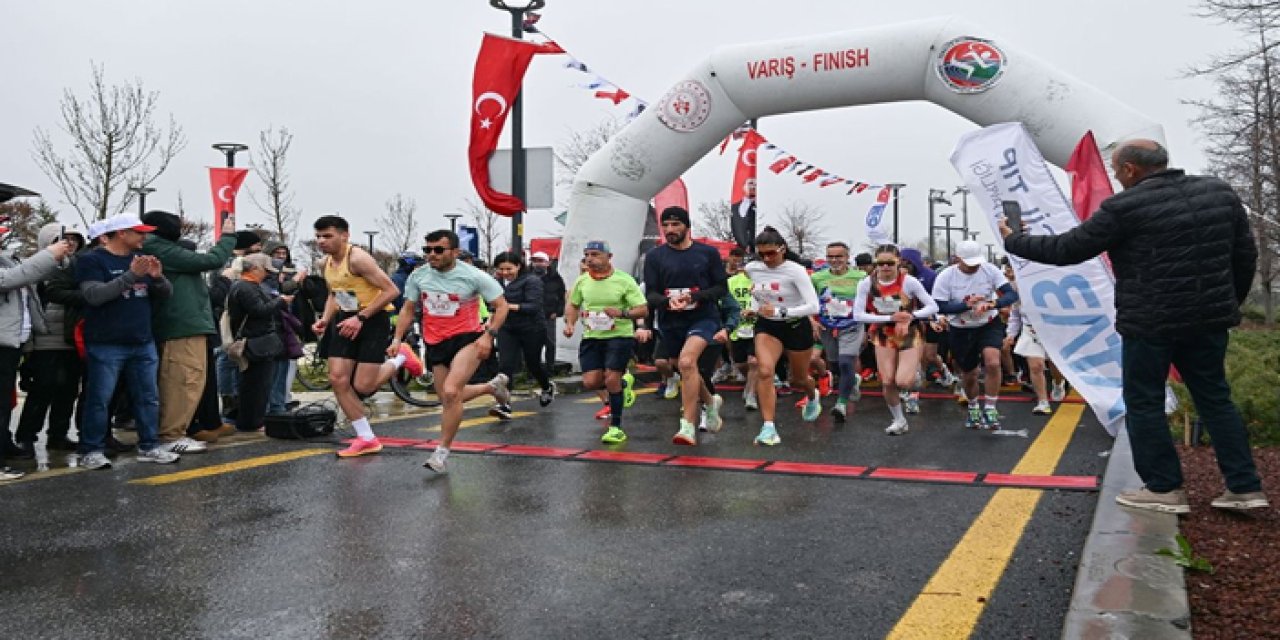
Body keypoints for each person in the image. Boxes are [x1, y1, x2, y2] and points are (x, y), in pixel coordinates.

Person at [1002, 139, 1268, 513]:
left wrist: (1015, 240)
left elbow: (1068, 250)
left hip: (1150, 323)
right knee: (1215, 398)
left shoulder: (1125, 206)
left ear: (1130, 170)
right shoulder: (1219, 193)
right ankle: (1245, 487)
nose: (1115, 176)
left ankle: (1164, 489)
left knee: (1144, 401)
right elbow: (1245, 254)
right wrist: (1227, 304)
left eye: (1116, 170)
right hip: (1209, 320)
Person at [392, 229, 511, 473]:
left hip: (467, 338)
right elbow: (407, 308)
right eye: (427, 250)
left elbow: (501, 306)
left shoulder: (473, 276)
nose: (431, 255)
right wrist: (397, 338)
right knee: (447, 398)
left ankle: (441, 453)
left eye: (438, 250)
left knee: (450, 391)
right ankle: (492, 387)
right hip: (435, 341)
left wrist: (489, 336)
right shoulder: (419, 276)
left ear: (454, 252)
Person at [310, 215, 422, 458]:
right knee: (338, 379)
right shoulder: (324, 263)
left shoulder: (358, 258)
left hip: (372, 320)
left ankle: (400, 358)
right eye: (318, 236)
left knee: (363, 386)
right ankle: (366, 437)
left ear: (344, 235)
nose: (321, 241)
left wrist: (361, 317)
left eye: (327, 236)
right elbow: (334, 293)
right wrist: (325, 319)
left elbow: (392, 291)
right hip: (345, 320)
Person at [75, 213, 177, 470]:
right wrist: (131, 276)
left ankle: (149, 445)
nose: (145, 237)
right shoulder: (92, 260)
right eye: (139, 232)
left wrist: (157, 278)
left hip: (142, 340)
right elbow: (94, 296)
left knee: (148, 397)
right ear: (121, 233)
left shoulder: (141, 260)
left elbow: (166, 295)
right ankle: (91, 449)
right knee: (100, 398)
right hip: (106, 341)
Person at [141, 210, 238, 452]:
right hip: (180, 326)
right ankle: (171, 435)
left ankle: (176, 431)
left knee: (190, 380)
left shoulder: (160, 247)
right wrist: (227, 237)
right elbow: (211, 261)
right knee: (182, 380)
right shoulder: (159, 247)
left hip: (187, 325)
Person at [642, 206, 728, 445]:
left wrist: (694, 297)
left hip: (702, 317)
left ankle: (687, 425)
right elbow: (650, 293)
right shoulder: (655, 257)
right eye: (666, 225)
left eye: (675, 225)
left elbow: (722, 288)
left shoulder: (707, 253)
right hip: (671, 321)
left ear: (687, 226)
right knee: (682, 368)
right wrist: (667, 302)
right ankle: (711, 402)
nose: (670, 230)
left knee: (687, 362)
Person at [0, 217, 74, 478]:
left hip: (13, 340)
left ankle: (6, 444)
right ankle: (17, 444)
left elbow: (28, 276)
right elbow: (9, 280)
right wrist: (48, 255)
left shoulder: (10, 257)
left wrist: (60, 257)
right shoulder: (17, 263)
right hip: (20, 341)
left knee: (5, 400)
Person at [743, 227, 822, 445]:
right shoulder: (752, 268)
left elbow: (813, 306)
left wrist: (781, 312)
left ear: (782, 249)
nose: (767, 259)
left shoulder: (795, 271)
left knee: (797, 379)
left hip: (796, 326)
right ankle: (768, 427)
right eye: (762, 254)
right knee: (765, 371)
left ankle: (812, 395)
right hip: (768, 327)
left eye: (771, 253)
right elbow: (760, 292)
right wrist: (753, 307)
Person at [564, 240, 648, 444]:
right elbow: (573, 305)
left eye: (595, 254)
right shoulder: (582, 281)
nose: (590, 259)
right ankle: (622, 384)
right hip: (592, 337)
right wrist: (570, 324)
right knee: (591, 382)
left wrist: (621, 312)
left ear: (609, 257)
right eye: (587, 255)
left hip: (619, 336)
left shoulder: (624, 280)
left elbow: (642, 308)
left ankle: (616, 427)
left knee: (611, 379)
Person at [931, 239, 1018, 430]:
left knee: (993, 361)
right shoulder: (946, 276)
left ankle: (990, 407)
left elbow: (1011, 295)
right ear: (958, 259)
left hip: (988, 323)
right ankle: (973, 406)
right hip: (961, 328)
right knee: (970, 374)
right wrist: (966, 305)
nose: (974, 267)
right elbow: (939, 305)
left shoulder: (989, 270)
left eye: (976, 262)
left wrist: (992, 304)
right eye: (969, 263)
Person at [853, 245, 939, 435]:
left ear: (898, 262)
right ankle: (899, 420)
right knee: (887, 381)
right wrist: (889, 318)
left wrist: (911, 316)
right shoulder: (866, 283)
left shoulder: (910, 282)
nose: (885, 267)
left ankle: (914, 374)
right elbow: (858, 315)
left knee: (903, 381)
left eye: (889, 263)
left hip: (909, 332)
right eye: (880, 263)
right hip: (884, 333)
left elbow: (932, 306)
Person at [228, 254, 294, 432]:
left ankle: (252, 419)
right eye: (265, 270)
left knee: (256, 384)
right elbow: (259, 310)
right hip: (256, 342)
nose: (267, 275)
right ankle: (252, 421)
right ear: (254, 269)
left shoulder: (244, 286)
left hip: (255, 341)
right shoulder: (246, 287)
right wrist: (280, 301)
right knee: (256, 385)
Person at [810, 241, 867, 421]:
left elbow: (869, 302)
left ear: (847, 257)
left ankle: (841, 404)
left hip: (852, 325)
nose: (834, 260)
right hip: (827, 326)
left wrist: (869, 326)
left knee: (845, 362)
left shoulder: (861, 277)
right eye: (831, 257)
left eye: (839, 256)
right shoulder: (817, 278)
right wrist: (812, 321)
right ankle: (853, 380)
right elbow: (809, 301)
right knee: (834, 364)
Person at [492, 251, 555, 412]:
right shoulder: (495, 282)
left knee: (533, 364)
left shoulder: (532, 281)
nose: (505, 273)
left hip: (532, 328)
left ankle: (547, 386)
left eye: (509, 269)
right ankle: (504, 404)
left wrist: (508, 306)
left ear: (518, 266)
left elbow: (533, 307)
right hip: (507, 328)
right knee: (505, 366)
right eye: (501, 269)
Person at [725, 247, 759, 409]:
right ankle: (750, 383)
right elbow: (725, 303)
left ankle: (751, 395)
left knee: (754, 362)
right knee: (740, 364)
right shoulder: (731, 282)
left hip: (758, 327)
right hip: (738, 328)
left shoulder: (762, 282)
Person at [531, 251, 565, 376]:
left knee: (550, 343)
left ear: (548, 262)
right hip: (532, 316)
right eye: (535, 261)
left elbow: (562, 296)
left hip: (549, 316)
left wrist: (558, 312)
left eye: (540, 261)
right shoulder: (528, 277)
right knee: (534, 344)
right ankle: (534, 371)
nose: (538, 264)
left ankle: (550, 369)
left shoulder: (555, 278)